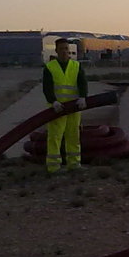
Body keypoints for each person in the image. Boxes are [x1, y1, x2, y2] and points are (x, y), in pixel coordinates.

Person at [42, 38, 88, 174]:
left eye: (66, 49)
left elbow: (82, 83)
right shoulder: (50, 67)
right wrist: (53, 101)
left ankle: (74, 164)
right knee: (55, 137)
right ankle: (53, 167)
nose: (64, 52)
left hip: (74, 108)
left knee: (73, 136)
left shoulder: (76, 66)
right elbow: (47, 88)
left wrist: (83, 97)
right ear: (56, 51)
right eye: (61, 49)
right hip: (56, 109)